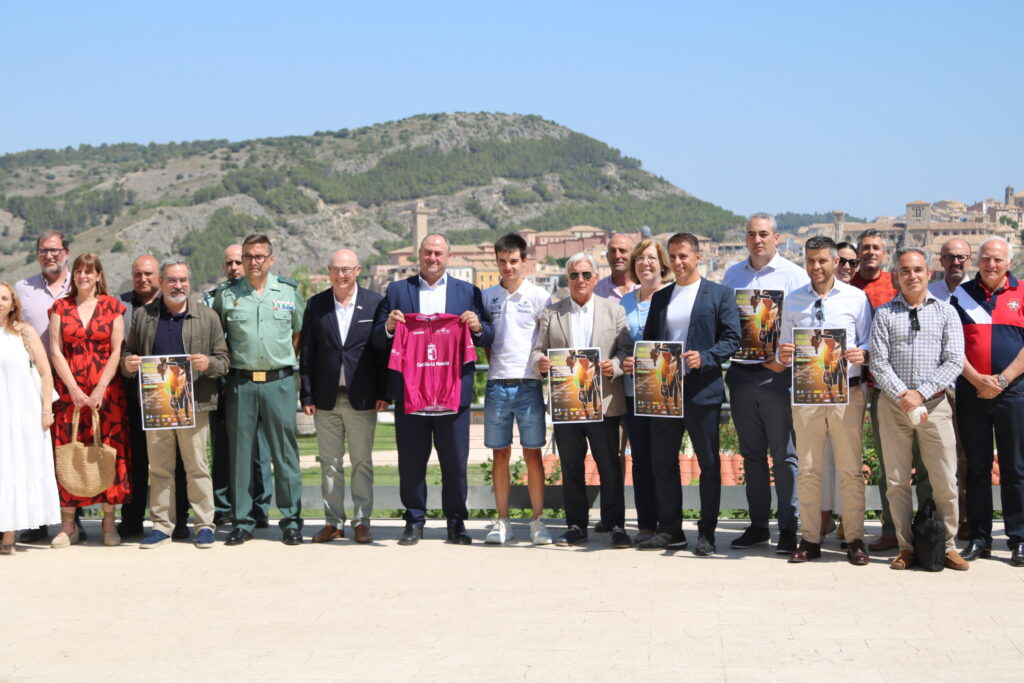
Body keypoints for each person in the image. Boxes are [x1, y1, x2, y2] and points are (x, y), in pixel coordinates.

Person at [372, 233, 494, 545]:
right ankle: (414, 520)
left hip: (453, 393)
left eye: (438, 253)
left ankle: (456, 522)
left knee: (455, 462)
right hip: (411, 394)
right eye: (427, 253)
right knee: (411, 461)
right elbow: (375, 339)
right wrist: (388, 327)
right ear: (419, 255)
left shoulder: (467, 292)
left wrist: (477, 327)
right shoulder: (398, 290)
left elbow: (488, 336)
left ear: (449, 257)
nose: (433, 258)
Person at [635, 233, 740, 554]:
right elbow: (652, 341)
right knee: (662, 463)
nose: (678, 262)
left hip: (702, 391)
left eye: (683, 256)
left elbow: (733, 338)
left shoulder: (719, 294)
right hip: (663, 393)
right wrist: (637, 360)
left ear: (698, 256)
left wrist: (704, 357)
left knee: (708, 463)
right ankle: (671, 530)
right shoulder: (661, 297)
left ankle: (706, 532)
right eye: (674, 256)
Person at [870, 247, 967, 571]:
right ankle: (906, 546)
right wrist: (903, 395)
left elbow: (953, 361)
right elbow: (878, 364)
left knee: (945, 480)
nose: (912, 275)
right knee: (896, 481)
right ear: (896, 275)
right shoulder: (884, 314)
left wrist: (921, 393)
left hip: (936, 405)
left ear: (928, 274)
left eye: (917, 270)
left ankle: (947, 545)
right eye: (905, 270)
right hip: (894, 407)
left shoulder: (945, 313)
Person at [776, 236, 872, 565]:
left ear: (835, 262)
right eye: (810, 261)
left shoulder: (856, 298)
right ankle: (810, 538)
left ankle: (856, 538)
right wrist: (784, 353)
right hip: (806, 395)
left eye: (822, 261)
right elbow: (784, 348)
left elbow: (869, 343)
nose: (816, 267)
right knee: (808, 469)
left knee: (849, 469)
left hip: (847, 393)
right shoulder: (792, 301)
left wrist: (863, 353)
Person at [121, 258, 229, 549]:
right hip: (157, 402)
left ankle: (205, 524)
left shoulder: (207, 317)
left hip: (193, 402)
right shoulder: (144, 317)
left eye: (182, 280)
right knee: (160, 468)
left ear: (189, 283)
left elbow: (224, 360)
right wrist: (129, 364)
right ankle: (161, 525)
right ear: (162, 283)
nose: (177, 285)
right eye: (171, 280)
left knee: (196, 466)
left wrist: (208, 363)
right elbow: (127, 354)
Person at [530, 252, 632, 548]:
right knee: (571, 467)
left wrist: (612, 365)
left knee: (610, 467)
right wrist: (541, 364)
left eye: (586, 275)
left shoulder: (614, 311)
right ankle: (575, 525)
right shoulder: (553, 312)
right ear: (567, 279)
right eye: (574, 275)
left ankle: (616, 526)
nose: (580, 280)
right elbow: (538, 350)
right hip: (567, 403)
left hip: (605, 403)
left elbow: (626, 352)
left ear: (595, 278)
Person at [722, 213, 809, 553]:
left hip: (778, 375)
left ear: (777, 237)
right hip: (741, 374)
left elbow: (804, 324)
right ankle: (758, 526)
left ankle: (789, 527)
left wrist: (781, 359)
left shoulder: (794, 275)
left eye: (763, 234)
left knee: (785, 455)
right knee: (751, 455)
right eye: (751, 234)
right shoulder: (732, 275)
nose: (757, 240)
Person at [211, 234, 305, 546]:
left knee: (285, 453)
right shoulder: (228, 295)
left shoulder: (288, 292)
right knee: (240, 454)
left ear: (271, 259)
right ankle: (242, 521)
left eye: (259, 256)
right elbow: (220, 335)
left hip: (279, 382)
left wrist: (280, 361)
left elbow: (298, 334)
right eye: (248, 256)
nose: (253, 261)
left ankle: (291, 520)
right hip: (242, 382)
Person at [300, 249, 387, 545]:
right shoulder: (317, 305)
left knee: (362, 461)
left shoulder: (375, 304)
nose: (341, 275)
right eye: (335, 269)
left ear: (358, 270)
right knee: (330, 464)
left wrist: (385, 393)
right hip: (325, 398)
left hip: (363, 398)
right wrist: (307, 394)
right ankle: (333, 522)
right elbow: (308, 354)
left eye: (346, 269)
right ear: (328, 271)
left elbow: (383, 354)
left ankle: (362, 521)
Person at [850, 229, 928, 553]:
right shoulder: (847, 288)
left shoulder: (895, 284)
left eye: (876, 248)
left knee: (922, 463)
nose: (870, 252)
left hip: (902, 387)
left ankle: (926, 529)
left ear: (884, 255)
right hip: (863, 385)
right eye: (865, 247)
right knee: (885, 464)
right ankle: (889, 528)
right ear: (858, 253)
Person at [48, 253, 131, 548]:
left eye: (89, 271)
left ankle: (109, 522)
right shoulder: (60, 307)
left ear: (99, 275)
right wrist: (73, 389)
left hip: (105, 394)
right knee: (69, 453)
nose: (83, 276)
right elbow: (56, 351)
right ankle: (68, 524)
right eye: (79, 271)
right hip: (70, 394)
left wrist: (98, 390)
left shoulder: (112, 307)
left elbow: (115, 351)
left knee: (106, 451)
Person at [951, 237, 1024, 567]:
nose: (990, 265)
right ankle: (980, 538)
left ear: (1009, 262)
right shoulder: (961, 295)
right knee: (977, 468)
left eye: (997, 259)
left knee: (1016, 468)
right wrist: (978, 380)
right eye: (985, 259)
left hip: (1014, 392)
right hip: (972, 392)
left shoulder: (1021, 293)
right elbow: (951, 346)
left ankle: (1019, 538)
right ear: (976, 262)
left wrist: (1003, 380)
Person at [481, 234, 553, 545]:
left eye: (513, 261)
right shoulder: (486, 297)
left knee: (533, 453)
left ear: (525, 261)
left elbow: (547, 340)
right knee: (500, 454)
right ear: (495, 261)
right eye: (502, 261)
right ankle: (502, 522)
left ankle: (537, 522)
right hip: (497, 383)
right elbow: (485, 340)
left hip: (529, 384)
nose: (508, 267)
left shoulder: (539, 296)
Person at [117, 254, 189, 539]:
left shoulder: (174, 305)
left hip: (172, 394)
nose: (142, 279)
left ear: (158, 278)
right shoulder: (119, 304)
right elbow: (123, 349)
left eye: (148, 274)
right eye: (138, 274)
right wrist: (128, 362)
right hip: (134, 396)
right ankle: (132, 519)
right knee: (135, 460)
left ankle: (179, 518)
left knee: (178, 462)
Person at [206, 245, 272, 529]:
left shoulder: (260, 295)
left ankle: (259, 507)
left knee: (259, 448)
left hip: (252, 378)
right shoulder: (214, 298)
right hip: (223, 382)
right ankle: (223, 507)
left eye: (238, 261)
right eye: (229, 263)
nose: (234, 267)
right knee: (222, 447)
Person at [14, 230, 72, 544]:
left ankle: (69, 520)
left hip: (76, 377)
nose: (49, 256)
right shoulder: (22, 289)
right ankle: (37, 521)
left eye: (55, 250)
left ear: (66, 251)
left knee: (74, 448)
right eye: (43, 251)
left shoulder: (80, 284)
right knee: (37, 449)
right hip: (34, 381)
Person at [0, 282, 60, 555]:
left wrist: (46, 410)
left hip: (22, 413)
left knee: (17, 469)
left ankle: (9, 535)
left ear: (13, 304)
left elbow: (46, 374)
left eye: (4, 298)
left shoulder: (25, 332)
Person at [619, 238, 672, 543]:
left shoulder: (673, 297)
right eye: (639, 258)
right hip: (631, 391)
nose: (645, 263)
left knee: (663, 459)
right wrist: (621, 360)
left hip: (665, 391)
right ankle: (646, 524)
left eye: (651, 258)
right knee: (640, 459)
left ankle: (668, 524)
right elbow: (618, 343)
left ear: (661, 263)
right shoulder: (625, 302)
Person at [929, 238, 972, 540]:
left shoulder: (978, 295)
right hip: (937, 389)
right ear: (940, 261)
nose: (955, 262)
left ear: (969, 259)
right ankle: (934, 523)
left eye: (960, 257)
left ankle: (966, 520)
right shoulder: (929, 294)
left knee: (968, 458)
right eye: (949, 257)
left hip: (969, 387)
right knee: (937, 459)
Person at [594, 233, 639, 302]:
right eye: (613, 251)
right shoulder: (596, 290)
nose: (617, 256)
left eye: (622, 251)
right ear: (607, 257)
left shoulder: (645, 288)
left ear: (633, 256)